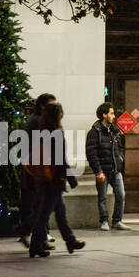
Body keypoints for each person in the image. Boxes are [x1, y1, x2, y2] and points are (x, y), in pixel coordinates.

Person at [25, 100, 85, 258]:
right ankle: (35, 245)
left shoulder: (43, 131)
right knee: (44, 214)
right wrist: (71, 178)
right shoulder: (56, 133)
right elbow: (61, 159)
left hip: (45, 178)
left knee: (60, 213)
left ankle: (70, 241)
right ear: (58, 115)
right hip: (54, 180)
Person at [16, 93, 56, 249]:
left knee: (41, 205)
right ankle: (29, 232)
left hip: (37, 169)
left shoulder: (38, 120)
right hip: (37, 170)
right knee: (41, 205)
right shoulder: (38, 122)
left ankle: (37, 238)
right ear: (43, 106)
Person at [86, 102, 128, 232]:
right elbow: (91, 153)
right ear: (104, 115)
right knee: (102, 197)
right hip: (103, 170)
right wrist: (98, 171)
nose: (114, 116)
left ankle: (117, 220)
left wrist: (120, 158)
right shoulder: (94, 132)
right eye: (111, 113)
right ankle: (104, 220)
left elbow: (120, 147)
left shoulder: (114, 131)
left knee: (121, 195)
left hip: (115, 169)